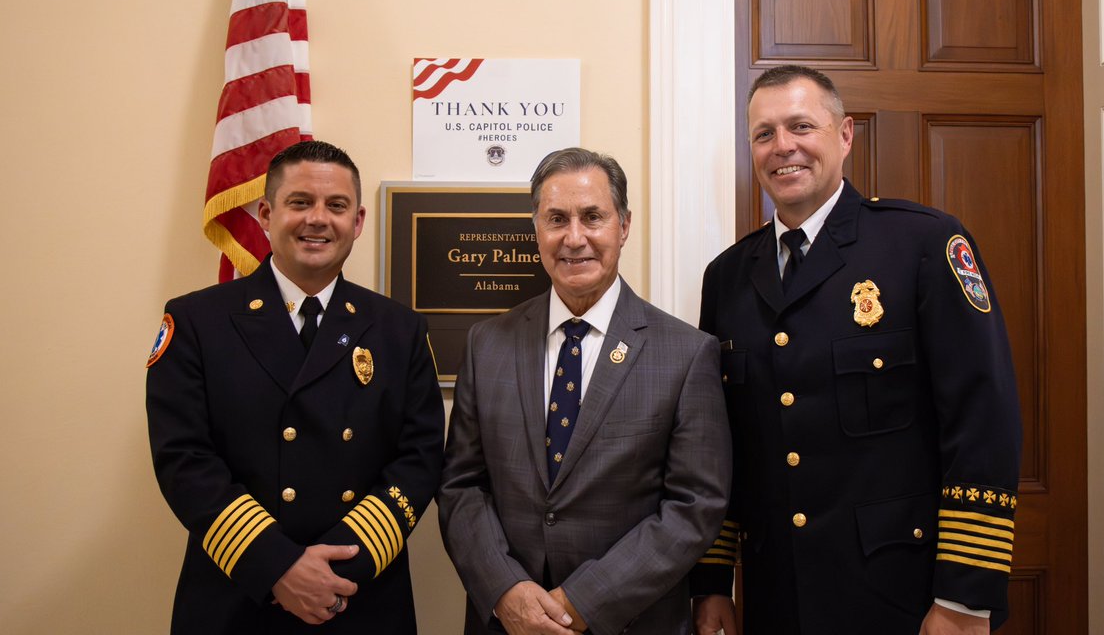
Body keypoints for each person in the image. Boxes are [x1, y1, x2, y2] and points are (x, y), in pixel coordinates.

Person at [690, 66, 1023, 635]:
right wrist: (714, 580)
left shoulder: (922, 244)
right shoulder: (726, 278)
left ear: (844, 135)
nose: (782, 147)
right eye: (764, 134)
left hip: (900, 595)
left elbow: (983, 421)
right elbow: (721, 446)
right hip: (776, 596)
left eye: (801, 126)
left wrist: (964, 598)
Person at [146, 141, 444, 634]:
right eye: (300, 202)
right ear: (266, 213)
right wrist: (278, 567)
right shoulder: (197, 320)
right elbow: (183, 460)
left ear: (359, 221)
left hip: (359, 595)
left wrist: (336, 571)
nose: (318, 219)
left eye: (337, 205)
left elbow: (421, 458)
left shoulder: (399, 329)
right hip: (238, 595)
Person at [438, 147, 732, 635]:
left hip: (632, 621)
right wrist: (505, 589)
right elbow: (461, 487)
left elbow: (694, 506)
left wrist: (585, 601)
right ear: (536, 229)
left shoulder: (686, 353)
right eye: (557, 219)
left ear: (624, 225)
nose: (574, 238)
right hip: (507, 621)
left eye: (592, 216)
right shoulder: (486, 344)